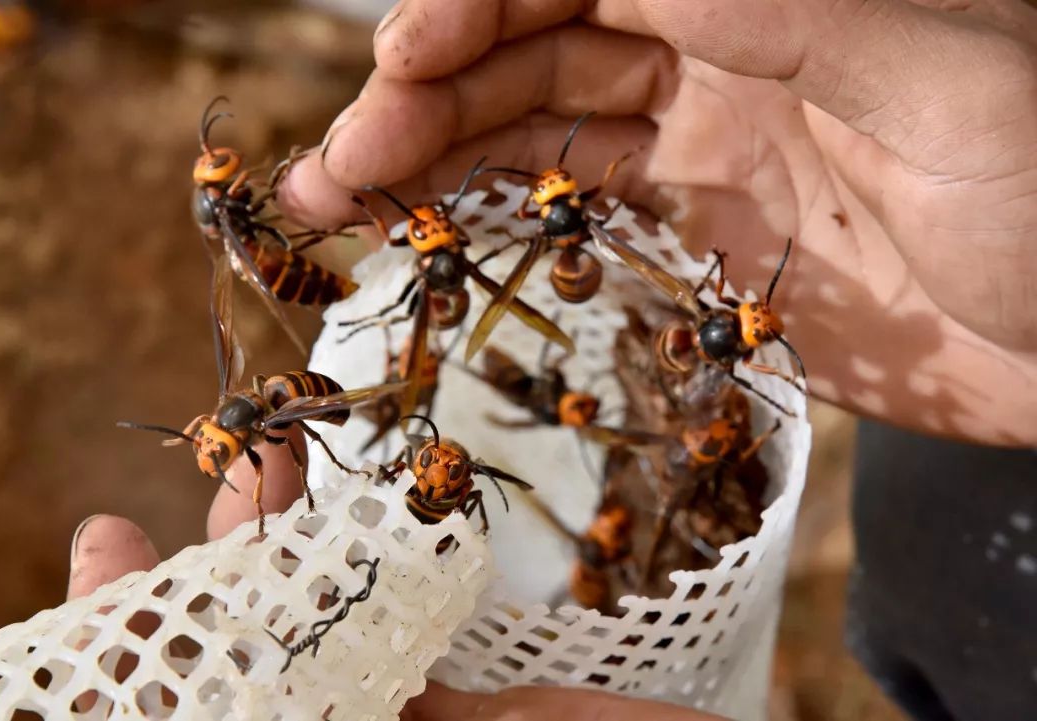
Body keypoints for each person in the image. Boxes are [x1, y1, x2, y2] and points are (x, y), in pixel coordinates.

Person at [71, 0, 1037, 718]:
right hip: (428, 337)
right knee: (927, 560)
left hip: (509, 324)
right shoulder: (530, 269)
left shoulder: (616, 276)